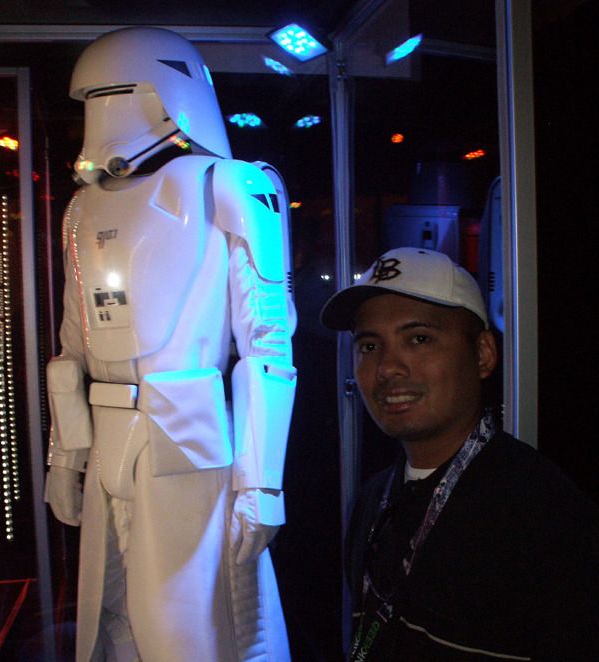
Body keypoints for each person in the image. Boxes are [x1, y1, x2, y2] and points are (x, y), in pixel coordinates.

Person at [43, 27, 296, 661]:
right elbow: (74, 346)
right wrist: (65, 457)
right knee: (111, 623)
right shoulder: (79, 212)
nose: (102, 117)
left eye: (115, 94)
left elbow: (268, 343)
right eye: (91, 100)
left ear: (167, 95)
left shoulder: (231, 185)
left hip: (186, 448)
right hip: (107, 445)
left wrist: (263, 483)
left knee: (196, 632)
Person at [320, 246, 599, 661]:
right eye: (369, 346)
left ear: (484, 354)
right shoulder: (373, 502)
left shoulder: (544, 515)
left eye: (418, 339)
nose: (388, 368)